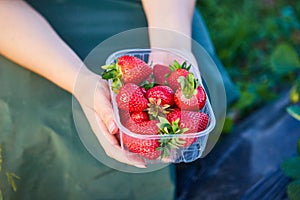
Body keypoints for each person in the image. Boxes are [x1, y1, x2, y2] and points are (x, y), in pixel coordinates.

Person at [0, 0, 239, 199]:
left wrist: (171, 45)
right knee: (47, 121)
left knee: (196, 81)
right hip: (20, 25)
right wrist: (80, 82)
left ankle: (181, 166)